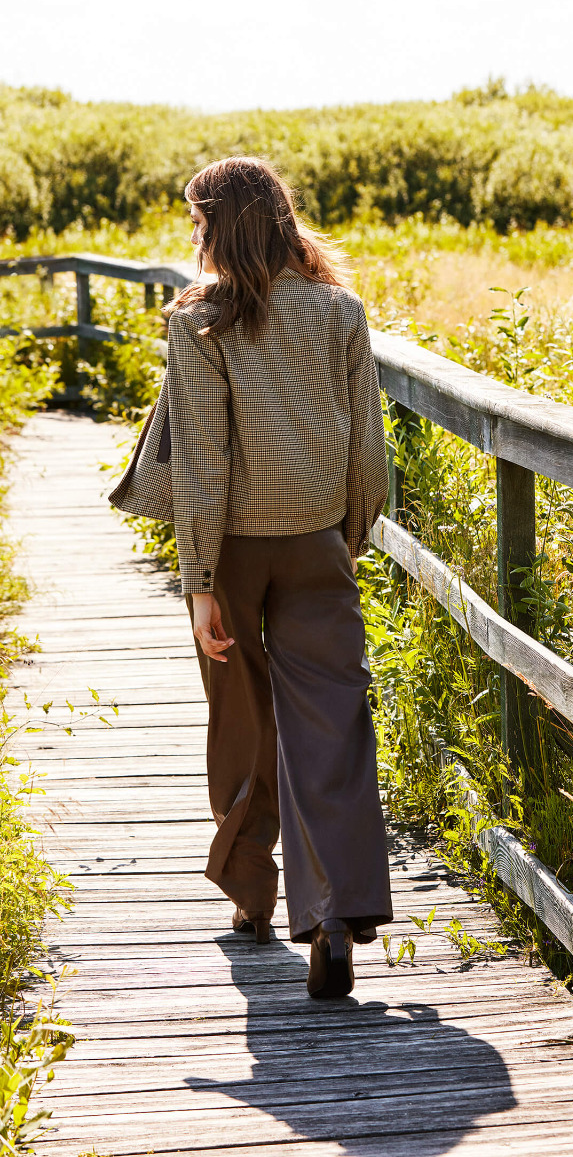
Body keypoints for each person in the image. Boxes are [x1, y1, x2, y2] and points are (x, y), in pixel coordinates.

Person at [108, 155, 393, 999]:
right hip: (315, 543)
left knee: (240, 717)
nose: (191, 235)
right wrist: (347, 537)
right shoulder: (341, 311)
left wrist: (198, 579)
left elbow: (203, 460)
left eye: (196, 220)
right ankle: (333, 918)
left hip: (230, 550)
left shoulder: (199, 318)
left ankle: (251, 895)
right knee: (330, 724)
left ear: (219, 225)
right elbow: (366, 448)